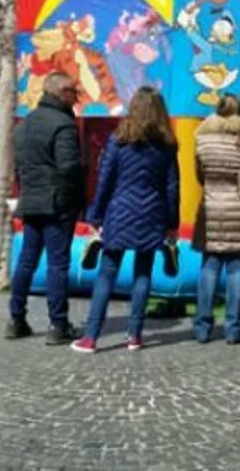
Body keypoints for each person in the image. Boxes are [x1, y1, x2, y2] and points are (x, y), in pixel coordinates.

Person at [72, 87, 179, 353]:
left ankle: (91, 337)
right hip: (152, 213)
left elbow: (105, 179)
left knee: (107, 273)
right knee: (143, 273)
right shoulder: (166, 146)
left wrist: (95, 215)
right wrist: (172, 222)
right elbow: (173, 187)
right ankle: (135, 335)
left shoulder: (118, 140)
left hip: (119, 210)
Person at [9, 72, 85, 345]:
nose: (76, 98)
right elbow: (69, 167)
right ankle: (58, 324)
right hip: (57, 203)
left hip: (30, 200)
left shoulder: (25, 124)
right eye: (74, 92)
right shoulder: (63, 125)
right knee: (57, 264)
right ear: (61, 92)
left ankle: (16, 318)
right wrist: (77, 199)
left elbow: (20, 166)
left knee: (26, 261)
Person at [193, 94, 240, 345]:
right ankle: (234, 327)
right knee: (237, 268)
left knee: (210, 267)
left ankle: (202, 326)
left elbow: (199, 174)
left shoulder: (202, 138)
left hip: (212, 207)